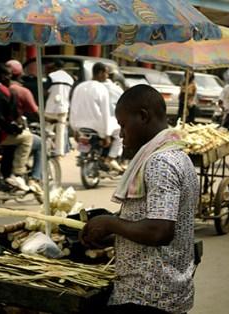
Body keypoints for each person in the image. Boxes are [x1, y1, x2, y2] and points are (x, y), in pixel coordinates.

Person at [81, 84, 199, 314]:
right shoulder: (177, 156)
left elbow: (159, 231)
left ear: (143, 116)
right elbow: (148, 219)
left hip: (147, 297)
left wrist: (109, 222)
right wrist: (112, 235)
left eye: (123, 125)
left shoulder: (160, 162)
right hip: (165, 293)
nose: (121, 134)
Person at [70, 63, 123, 172]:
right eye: (106, 73)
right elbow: (105, 112)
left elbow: (73, 108)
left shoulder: (79, 87)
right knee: (120, 134)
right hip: (97, 126)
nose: (107, 76)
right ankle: (109, 159)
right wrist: (106, 135)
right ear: (100, 73)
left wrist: (74, 129)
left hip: (80, 126)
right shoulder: (101, 88)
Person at [5, 59, 43, 194]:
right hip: (8, 133)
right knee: (40, 143)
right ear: (20, 74)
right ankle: (33, 178)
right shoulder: (21, 91)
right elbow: (36, 112)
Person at [45, 59, 74, 157]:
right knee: (60, 130)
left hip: (51, 107)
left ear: (55, 67)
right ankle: (59, 152)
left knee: (47, 129)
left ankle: (45, 148)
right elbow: (70, 94)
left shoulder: (51, 76)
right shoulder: (70, 78)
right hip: (64, 107)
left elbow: (45, 91)